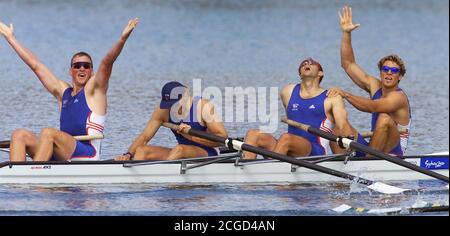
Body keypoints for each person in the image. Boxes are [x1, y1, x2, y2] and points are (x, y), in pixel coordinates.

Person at [0, 18, 139, 161]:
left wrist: (122, 39)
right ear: (70, 71)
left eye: (86, 65)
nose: (82, 68)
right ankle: (16, 180)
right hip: (63, 152)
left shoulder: (95, 91)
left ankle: (35, 173)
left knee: (48, 133)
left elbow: (107, 62)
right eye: (77, 65)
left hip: (87, 153)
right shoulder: (63, 92)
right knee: (19, 135)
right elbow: (36, 65)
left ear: (92, 72)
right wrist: (11, 38)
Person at [328, 6, 411, 157]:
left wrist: (345, 94)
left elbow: (373, 107)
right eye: (385, 69)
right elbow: (348, 64)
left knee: (384, 118)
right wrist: (346, 33)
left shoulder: (399, 98)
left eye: (394, 71)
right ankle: (341, 168)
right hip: (373, 148)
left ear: (400, 76)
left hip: (393, 153)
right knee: (339, 128)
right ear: (380, 72)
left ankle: (367, 163)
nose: (389, 73)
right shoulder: (374, 85)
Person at [243, 57, 358, 159]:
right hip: (287, 146)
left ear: (320, 73)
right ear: (300, 75)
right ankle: (245, 173)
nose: (306, 63)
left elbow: (342, 124)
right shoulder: (288, 91)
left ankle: (271, 172)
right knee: (253, 134)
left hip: (315, 150)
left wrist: (348, 142)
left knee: (286, 138)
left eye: (311, 63)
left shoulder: (332, 97)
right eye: (303, 64)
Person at [115, 81, 228, 161]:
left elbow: (222, 139)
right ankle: (138, 184)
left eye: (175, 104)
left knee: (180, 149)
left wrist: (191, 137)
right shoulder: (163, 110)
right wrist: (128, 155)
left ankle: (162, 176)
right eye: (170, 104)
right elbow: (144, 137)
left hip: (208, 153)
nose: (172, 108)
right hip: (179, 153)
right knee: (141, 151)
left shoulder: (204, 107)